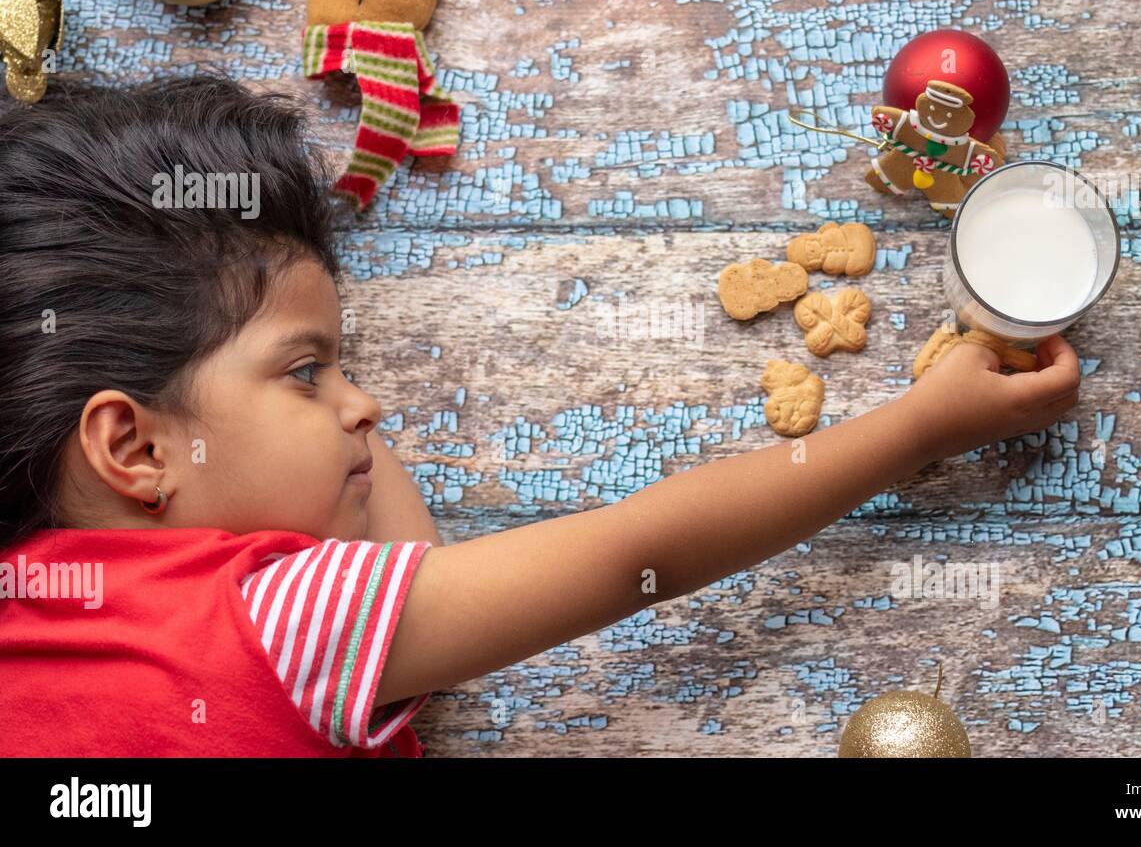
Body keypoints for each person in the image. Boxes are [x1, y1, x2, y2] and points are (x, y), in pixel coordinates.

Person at [0, 77, 1080, 756]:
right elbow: (631, 552)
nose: (365, 407)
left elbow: (412, 596)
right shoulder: (275, 619)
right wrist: (915, 428)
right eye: (307, 372)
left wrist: (312, 407)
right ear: (134, 446)